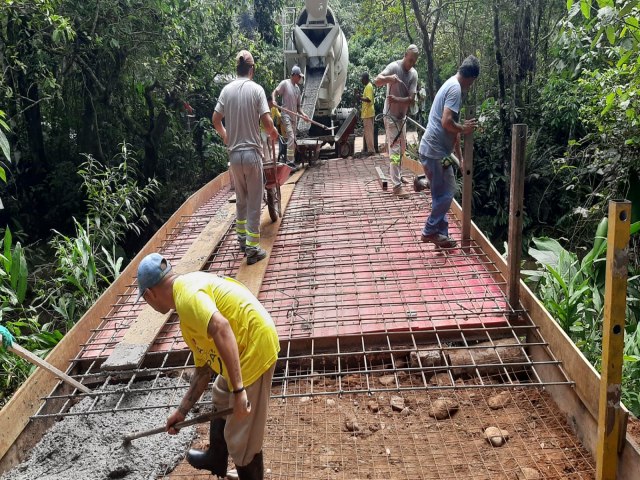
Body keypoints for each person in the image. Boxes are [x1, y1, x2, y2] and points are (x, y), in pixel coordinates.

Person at [136, 252, 280, 480]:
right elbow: (204, 369)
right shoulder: (185, 300)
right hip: (243, 343)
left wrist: (240, 390)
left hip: (254, 347)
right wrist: (181, 412)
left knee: (241, 436)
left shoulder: (188, 298)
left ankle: (247, 470)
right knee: (221, 392)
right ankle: (216, 456)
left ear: (150, 294)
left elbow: (221, 328)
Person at [212, 50, 278, 265]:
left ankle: (241, 239)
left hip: (234, 157)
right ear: (252, 69)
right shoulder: (256, 90)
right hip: (251, 155)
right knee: (254, 202)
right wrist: (274, 132)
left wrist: (225, 136)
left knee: (241, 199)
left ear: (236, 69)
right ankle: (252, 248)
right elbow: (267, 123)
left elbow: (216, 119)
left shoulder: (226, 90)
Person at [419, 55, 480, 249]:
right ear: (471, 78)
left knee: (440, 194)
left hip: (435, 152)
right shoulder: (455, 89)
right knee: (449, 192)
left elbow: (453, 131)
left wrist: (460, 159)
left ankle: (441, 236)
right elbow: (447, 123)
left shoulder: (451, 84)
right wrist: (465, 128)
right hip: (436, 153)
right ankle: (429, 230)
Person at [374, 45, 420, 199]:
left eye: (414, 61)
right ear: (405, 55)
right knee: (394, 151)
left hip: (402, 118)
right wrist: (389, 79)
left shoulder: (413, 74)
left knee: (402, 148)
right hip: (391, 116)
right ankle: (396, 186)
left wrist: (397, 99)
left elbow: (411, 99)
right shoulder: (394, 67)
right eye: (410, 59)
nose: (411, 63)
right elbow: (377, 80)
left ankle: (397, 175)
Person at [272, 65, 311, 170]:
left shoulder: (297, 89)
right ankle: (290, 163)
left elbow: (299, 107)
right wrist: (274, 99)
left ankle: (291, 160)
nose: (300, 79)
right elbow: (275, 92)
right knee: (290, 136)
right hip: (286, 115)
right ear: (294, 75)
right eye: (299, 76)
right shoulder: (285, 83)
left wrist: (303, 115)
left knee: (293, 140)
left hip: (294, 117)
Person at [357, 72, 375, 154]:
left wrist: (360, 98)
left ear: (365, 79)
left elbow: (368, 99)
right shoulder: (367, 87)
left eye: (362, 79)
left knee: (369, 133)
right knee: (367, 132)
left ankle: (371, 150)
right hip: (367, 113)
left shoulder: (368, 87)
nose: (361, 80)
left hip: (368, 113)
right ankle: (368, 149)